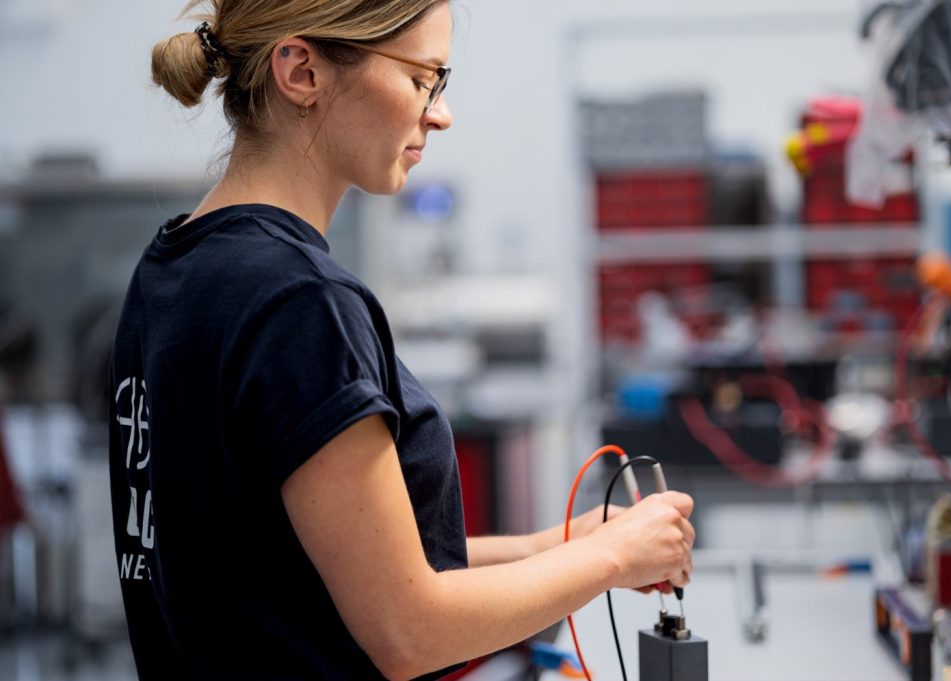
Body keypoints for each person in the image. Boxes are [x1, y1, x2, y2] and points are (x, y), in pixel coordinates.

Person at [109, 1, 695, 678]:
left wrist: (554, 546)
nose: (439, 114)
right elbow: (407, 628)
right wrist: (614, 557)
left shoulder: (172, 270)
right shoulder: (299, 300)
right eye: (422, 80)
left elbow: (303, 576)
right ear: (302, 72)